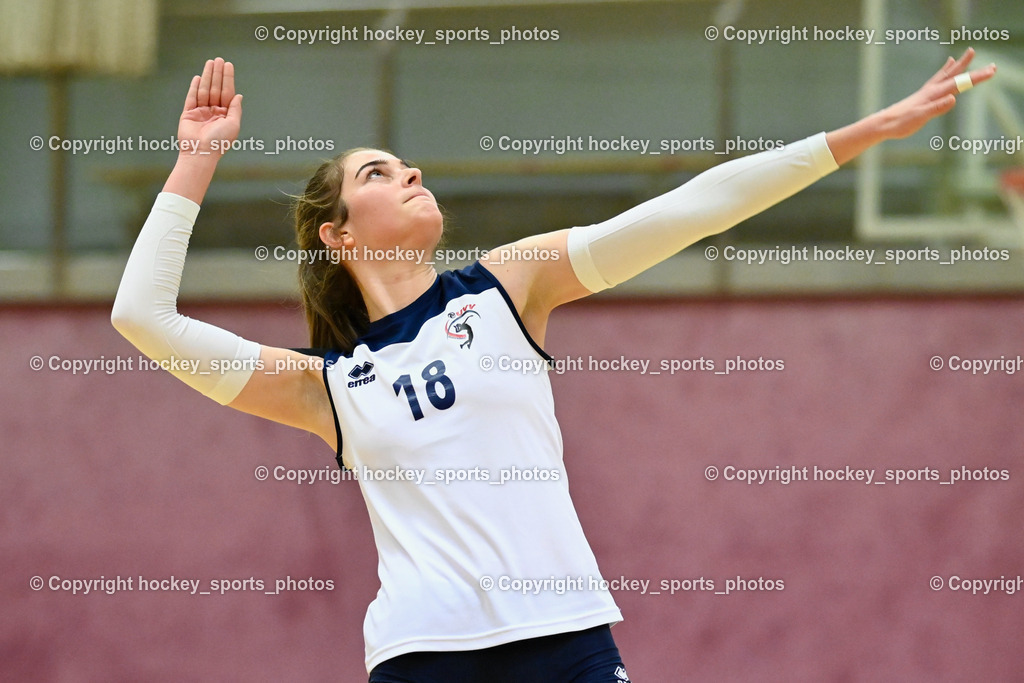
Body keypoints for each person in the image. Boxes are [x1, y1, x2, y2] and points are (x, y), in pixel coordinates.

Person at [111, 52, 995, 681]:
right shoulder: (327, 385)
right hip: (424, 657)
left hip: (566, 638)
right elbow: (141, 316)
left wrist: (865, 131)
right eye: (380, 172)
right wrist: (196, 161)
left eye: (405, 161)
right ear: (338, 234)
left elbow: (692, 209)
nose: (412, 169)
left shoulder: (506, 285)